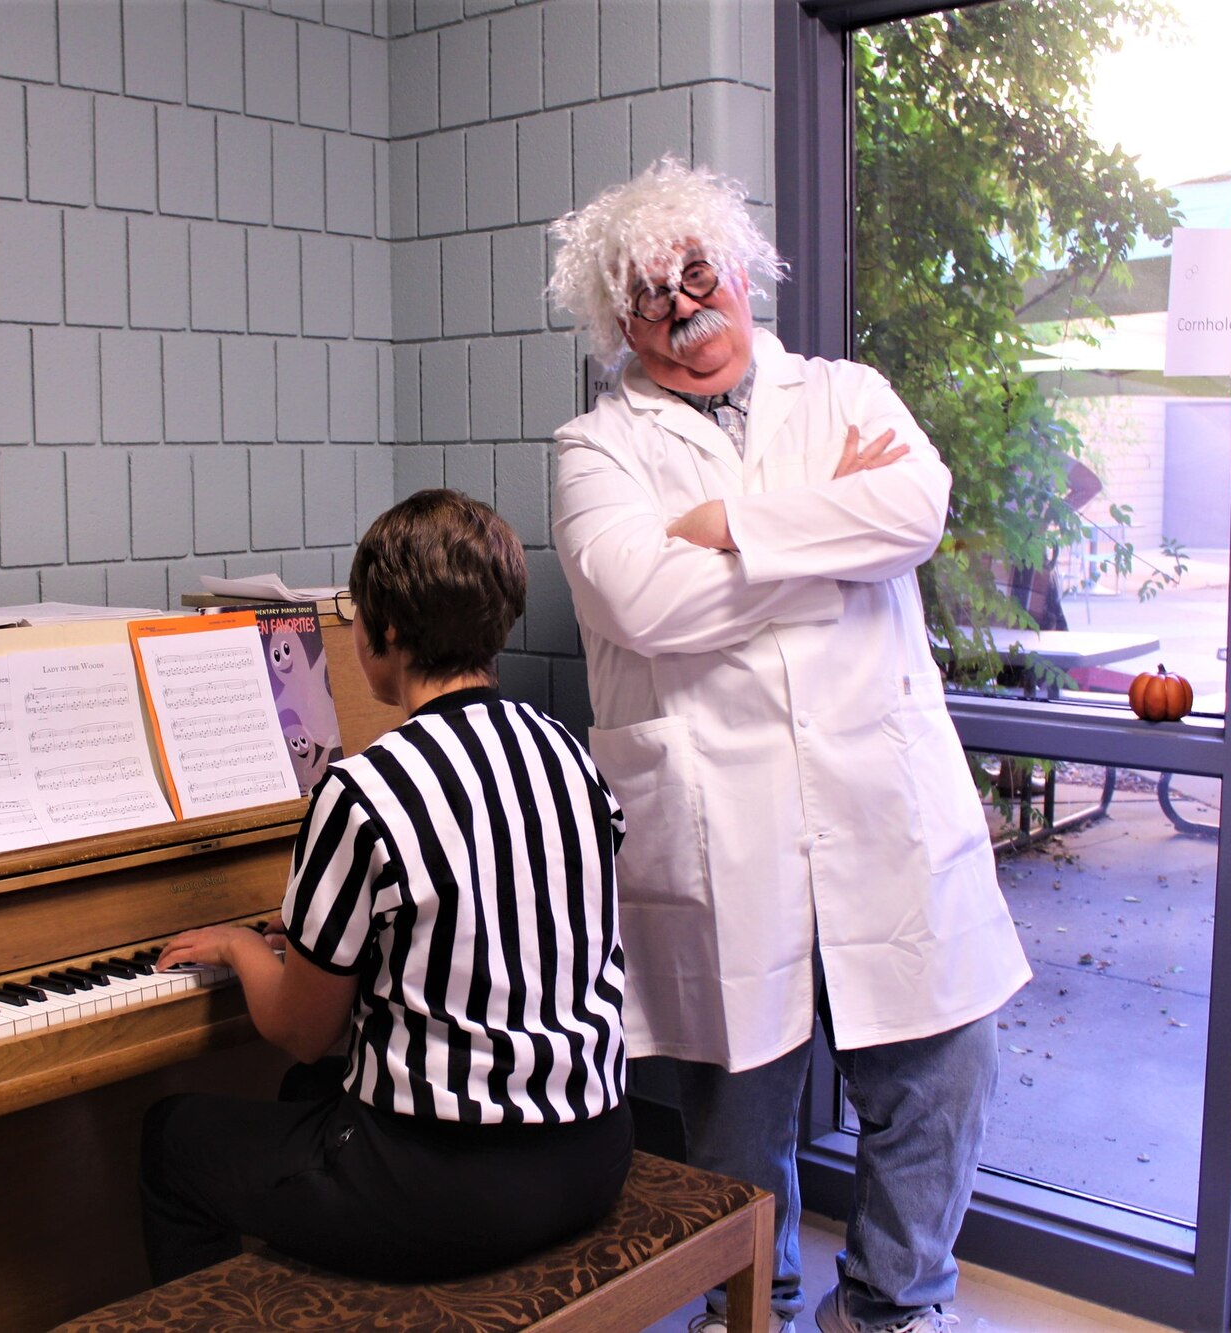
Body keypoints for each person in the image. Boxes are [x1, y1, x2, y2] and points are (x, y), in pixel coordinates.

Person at [544, 158, 1031, 1333]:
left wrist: (727, 530)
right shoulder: (594, 448)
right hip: (728, 833)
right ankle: (753, 1307)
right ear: (616, 323)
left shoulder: (846, 393)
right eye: (646, 299)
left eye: (696, 278)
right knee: (737, 1118)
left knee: (942, 1074)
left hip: (879, 808)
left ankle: (888, 1305)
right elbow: (638, 600)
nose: (679, 312)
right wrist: (828, 541)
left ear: (740, 272)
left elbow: (911, 511)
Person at [137, 490, 632, 1286]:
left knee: (171, 1137)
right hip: (593, 1151)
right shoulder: (569, 754)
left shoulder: (364, 789)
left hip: (445, 1191)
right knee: (306, 1092)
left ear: (386, 632)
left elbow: (301, 1026)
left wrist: (238, 945)